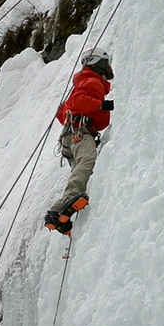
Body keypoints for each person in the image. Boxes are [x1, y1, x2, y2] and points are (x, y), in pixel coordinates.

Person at [44, 47, 114, 235]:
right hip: (80, 133)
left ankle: (59, 215)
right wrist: (101, 105)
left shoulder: (82, 82)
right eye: (106, 63)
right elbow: (78, 101)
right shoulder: (92, 81)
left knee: (81, 170)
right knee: (87, 162)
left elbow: (63, 111)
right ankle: (67, 200)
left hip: (70, 137)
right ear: (98, 63)